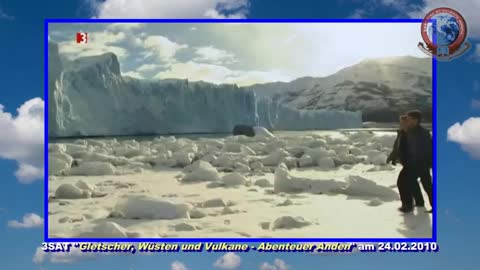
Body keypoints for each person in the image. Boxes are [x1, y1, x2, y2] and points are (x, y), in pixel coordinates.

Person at [387, 115, 431, 209]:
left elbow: (420, 148)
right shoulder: (403, 132)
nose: (402, 124)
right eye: (401, 122)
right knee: (416, 182)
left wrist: (417, 161)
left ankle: (407, 205)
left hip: (417, 162)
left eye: (404, 122)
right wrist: (392, 156)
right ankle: (419, 202)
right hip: (411, 162)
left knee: (403, 182)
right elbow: (398, 147)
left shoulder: (416, 133)